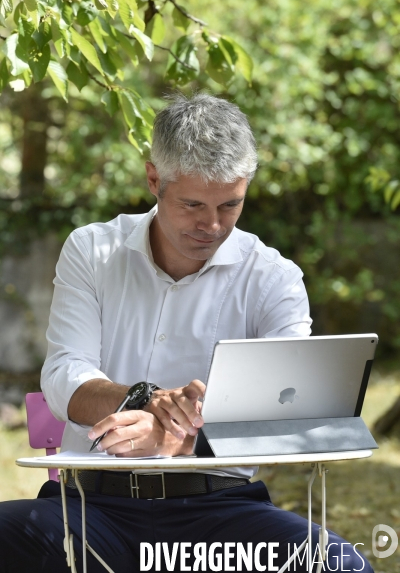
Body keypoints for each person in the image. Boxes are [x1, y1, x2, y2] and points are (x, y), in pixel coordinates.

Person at [0, 94, 373, 573]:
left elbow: (293, 411)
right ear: (154, 179)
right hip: (89, 511)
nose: (213, 225)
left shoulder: (273, 277)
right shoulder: (92, 251)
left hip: (223, 514)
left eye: (230, 204)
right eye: (193, 204)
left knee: (343, 567)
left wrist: (179, 440)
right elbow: (64, 375)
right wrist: (144, 401)